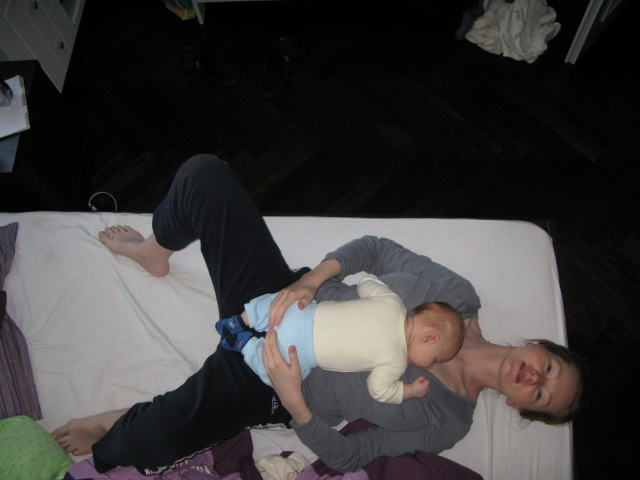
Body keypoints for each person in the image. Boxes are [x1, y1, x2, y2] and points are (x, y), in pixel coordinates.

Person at [52, 154, 587, 475]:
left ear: (520, 407)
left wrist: (295, 405)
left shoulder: (448, 422)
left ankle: (124, 418)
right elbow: (376, 249)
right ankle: (155, 251)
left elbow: (352, 456)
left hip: (271, 384)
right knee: (204, 175)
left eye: (541, 395)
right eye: (549, 369)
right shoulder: (457, 296)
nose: (534, 378)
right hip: (284, 296)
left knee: (140, 446)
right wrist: (311, 281)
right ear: (538, 346)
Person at [217, 275, 464, 403]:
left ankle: (242, 320)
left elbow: (366, 283)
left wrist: (376, 288)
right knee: (274, 372)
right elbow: (379, 390)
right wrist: (410, 390)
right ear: (430, 337)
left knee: (276, 302)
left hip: (303, 312)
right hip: (299, 352)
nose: (430, 365)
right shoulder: (396, 361)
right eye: (434, 359)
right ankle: (245, 344)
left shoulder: (394, 303)